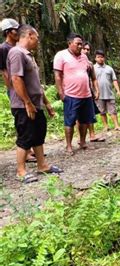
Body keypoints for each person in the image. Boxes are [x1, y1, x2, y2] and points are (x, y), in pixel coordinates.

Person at [7, 25, 63, 183]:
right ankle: (21, 171)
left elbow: (35, 84)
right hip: (23, 105)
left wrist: (47, 103)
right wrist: (27, 102)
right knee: (26, 136)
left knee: (38, 134)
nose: (38, 41)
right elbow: (16, 79)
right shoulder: (16, 53)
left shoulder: (28, 55)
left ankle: (42, 165)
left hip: (36, 104)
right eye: (37, 38)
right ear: (29, 35)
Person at [54, 33, 98, 155]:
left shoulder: (84, 57)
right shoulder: (61, 55)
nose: (80, 46)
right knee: (70, 121)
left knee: (84, 121)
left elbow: (90, 74)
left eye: (81, 44)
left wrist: (94, 90)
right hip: (71, 94)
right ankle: (69, 146)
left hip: (86, 95)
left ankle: (83, 142)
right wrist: (61, 93)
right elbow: (57, 76)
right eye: (77, 44)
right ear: (69, 43)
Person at [1, 18, 37, 163]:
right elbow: (4, 72)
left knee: (32, 120)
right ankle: (25, 152)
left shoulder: (19, 47)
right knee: (22, 120)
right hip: (15, 88)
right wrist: (13, 89)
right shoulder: (4, 49)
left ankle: (31, 148)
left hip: (24, 85)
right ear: (9, 32)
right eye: (16, 30)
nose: (18, 32)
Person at [80, 41, 104, 142]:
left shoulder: (89, 64)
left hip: (88, 92)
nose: (86, 51)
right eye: (84, 49)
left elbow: (93, 78)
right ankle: (81, 138)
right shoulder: (73, 61)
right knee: (79, 117)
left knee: (90, 113)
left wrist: (96, 90)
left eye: (88, 49)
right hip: (76, 93)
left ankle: (92, 134)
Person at [94, 49, 120, 131]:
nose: (100, 59)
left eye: (102, 57)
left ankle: (117, 125)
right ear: (95, 58)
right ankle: (106, 126)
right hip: (98, 94)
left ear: (104, 58)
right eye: (98, 57)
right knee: (102, 111)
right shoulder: (93, 68)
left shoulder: (109, 68)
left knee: (113, 110)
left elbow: (114, 80)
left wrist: (118, 90)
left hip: (109, 93)